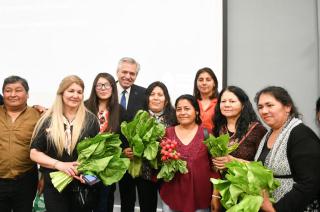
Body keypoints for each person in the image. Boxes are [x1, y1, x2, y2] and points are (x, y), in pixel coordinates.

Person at [30, 75, 100, 212]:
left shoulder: (91, 120)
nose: (75, 95)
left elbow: (97, 155)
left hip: (82, 186)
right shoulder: (48, 119)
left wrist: (88, 175)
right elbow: (34, 153)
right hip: (55, 186)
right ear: (61, 93)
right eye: (71, 91)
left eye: (79, 92)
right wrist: (60, 165)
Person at [254, 86, 320, 211]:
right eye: (260, 107)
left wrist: (275, 209)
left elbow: (309, 183)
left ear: (287, 107)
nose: (264, 111)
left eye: (269, 105)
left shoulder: (301, 135)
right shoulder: (268, 135)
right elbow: (262, 169)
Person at [210, 86, 267, 211]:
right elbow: (216, 167)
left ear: (243, 105)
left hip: (249, 195)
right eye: (223, 101)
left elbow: (264, 168)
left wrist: (233, 161)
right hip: (223, 194)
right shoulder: (218, 129)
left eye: (232, 101)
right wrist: (215, 194)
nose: (227, 105)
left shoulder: (257, 130)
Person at [160, 94, 218, 212]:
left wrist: (215, 195)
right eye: (179, 109)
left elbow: (216, 168)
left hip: (201, 197)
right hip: (172, 196)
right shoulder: (167, 133)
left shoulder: (207, 134)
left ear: (196, 111)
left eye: (187, 108)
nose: (182, 112)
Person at [0, 75, 41, 212]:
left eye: (18, 90)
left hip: (26, 179)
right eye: (8, 90)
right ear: (3, 94)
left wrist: (45, 178)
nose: (13, 94)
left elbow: (49, 148)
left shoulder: (38, 116)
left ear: (27, 94)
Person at [85, 72, 122, 212]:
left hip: (108, 168)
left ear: (113, 87)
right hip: (87, 165)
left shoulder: (119, 110)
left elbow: (122, 140)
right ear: (94, 87)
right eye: (99, 85)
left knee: (103, 202)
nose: (103, 88)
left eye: (107, 85)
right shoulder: (84, 107)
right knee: (88, 199)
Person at [116, 57, 147, 212]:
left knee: (144, 200)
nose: (128, 76)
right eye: (124, 72)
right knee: (124, 201)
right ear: (117, 72)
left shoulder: (144, 93)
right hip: (115, 157)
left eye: (132, 73)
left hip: (138, 158)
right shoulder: (106, 91)